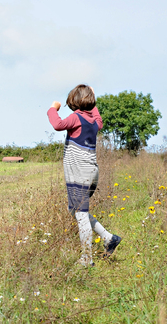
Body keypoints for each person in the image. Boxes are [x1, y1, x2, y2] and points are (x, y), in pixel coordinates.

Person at [47, 84, 121, 267]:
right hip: (91, 172)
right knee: (76, 211)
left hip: (79, 173)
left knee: (80, 215)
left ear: (75, 101)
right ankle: (108, 238)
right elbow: (97, 117)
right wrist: (93, 99)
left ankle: (87, 259)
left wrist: (52, 109)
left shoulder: (76, 118)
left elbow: (57, 124)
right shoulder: (95, 122)